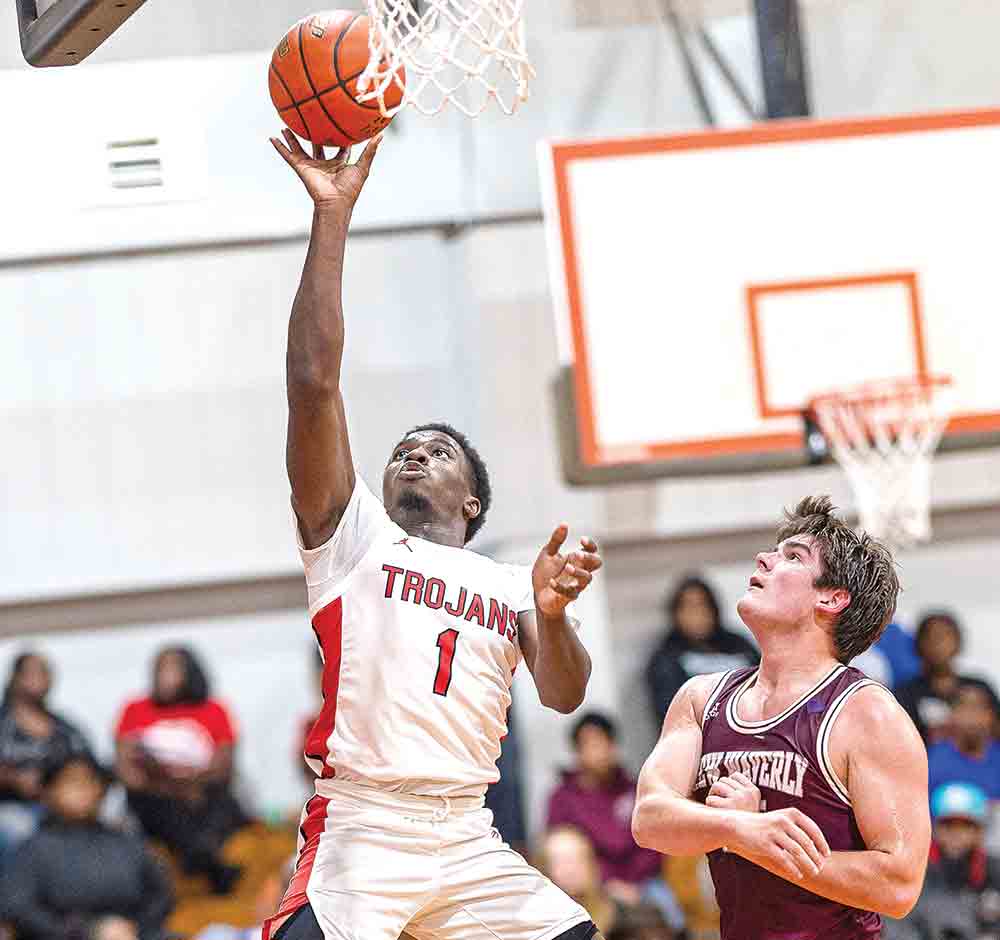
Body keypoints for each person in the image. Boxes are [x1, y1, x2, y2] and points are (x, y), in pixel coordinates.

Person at [266, 128, 604, 940]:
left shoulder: (516, 581)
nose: (414, 453)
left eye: (438, 449)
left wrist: (552, 616)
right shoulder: (354, 541)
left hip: (465, 834)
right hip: (364, 825)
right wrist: (333, 216)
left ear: (474, 501)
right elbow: (313, 384)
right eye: (402, 450)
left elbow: (563, 694)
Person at [632, 495, 930, 939]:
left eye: (793, 556)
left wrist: (760, 846)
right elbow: (650, 819)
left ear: (832, 597)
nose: (764, 559)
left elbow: (899, 884)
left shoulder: (866, 712)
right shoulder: (702, 697)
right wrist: (740, 827)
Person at [115, 646, 249, 894]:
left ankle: (199, 856)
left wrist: (190, 786)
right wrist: (177, 788)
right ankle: (210, 864)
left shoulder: (214, 709)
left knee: (224, 802)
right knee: (153, 804)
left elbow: (223, 768)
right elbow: (128, 772)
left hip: (204, 795)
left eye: (171, 668)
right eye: (159, 668)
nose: (163, 675)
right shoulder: (135, 709)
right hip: (156, 796)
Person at [0, 750, 173, 940]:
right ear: (48, 791)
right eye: (72, 781)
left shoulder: (127, 842)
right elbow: (18, 908)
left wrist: (135, 929)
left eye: (90, 781)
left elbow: (159, 895)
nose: (83, 790)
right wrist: (86, 932)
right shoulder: (34, 849)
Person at [546, 712, 684, 932]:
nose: (597, 752)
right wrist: (606, 881)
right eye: (589, 745)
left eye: (602, 743)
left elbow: (654, 840)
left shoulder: (634, 789)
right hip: (590, 886)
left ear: (613, 746)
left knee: (672, 919)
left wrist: (633, 883)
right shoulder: (563, 799)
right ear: (577, 751)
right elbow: (559, 850)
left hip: (643, 882)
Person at [0, 652, 91, 867]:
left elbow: (91, 766)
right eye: (31, 672)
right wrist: (14, 779)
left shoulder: (65, 729)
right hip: (11, 807)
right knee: (22, 832)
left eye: (44, 672)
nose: (39, 678)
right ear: (15, 678)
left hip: (62, 808)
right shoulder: (3, 724)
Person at [884, 783, 1000, 940]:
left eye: (965, 826)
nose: (956, 834)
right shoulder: (916, 868)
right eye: (948, 825)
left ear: (979, 831)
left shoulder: (992, 869)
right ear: (935, 828)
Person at [644, 575, 758, 726]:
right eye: (688, 607)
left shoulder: (739, 645)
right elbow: (670, 711)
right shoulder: (666, 658)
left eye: (702, 605)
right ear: (676, 613)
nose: (696, 614)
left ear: (713, 608)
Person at [893, 612, 983, 743]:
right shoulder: (905, 694)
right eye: (930, 637)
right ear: (918, 644)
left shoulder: (979, 689)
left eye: (945, 636)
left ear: (958, 642)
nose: (938, 643)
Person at [537, 827, 627, 937]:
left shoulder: (624, 921)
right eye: (560, 862)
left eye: (577, 859)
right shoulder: (535, 925)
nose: (570, 870)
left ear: (592, 864)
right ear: (544, 870)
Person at [927, 680, 1000, 802]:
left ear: (991, 716)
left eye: (978, 707)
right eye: (963, 706)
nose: (971, 715)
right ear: (952, 714)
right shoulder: (932, 760)